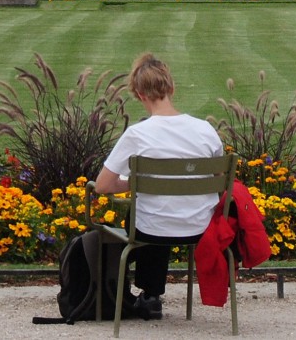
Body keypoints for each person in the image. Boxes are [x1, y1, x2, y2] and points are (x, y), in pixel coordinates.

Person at [93, 54, 225, 321]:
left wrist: (136, 184)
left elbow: (102, 186)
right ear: (171, 88)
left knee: (148, 214)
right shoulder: (205, 129)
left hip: (152, 228)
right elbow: (220, 180)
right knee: (161, 207)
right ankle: (150, 294)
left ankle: (149, 295)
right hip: (199, 226)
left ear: (139, 94)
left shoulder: (138, 134)